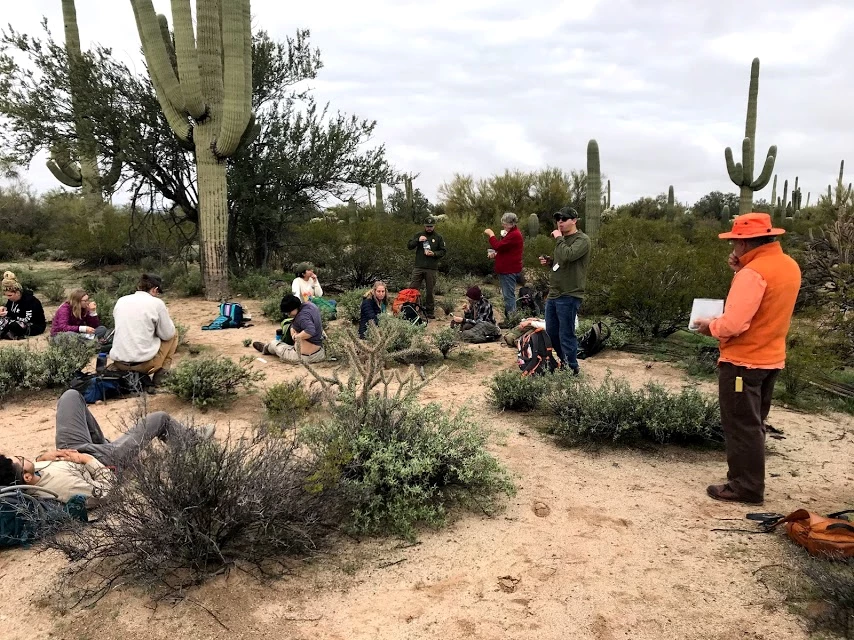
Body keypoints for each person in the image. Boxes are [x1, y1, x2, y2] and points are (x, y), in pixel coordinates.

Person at [693, 212, 801, 505]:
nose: (733, 248)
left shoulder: (752, 274)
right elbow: (763, 308)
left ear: (746, 243)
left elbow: (734, 324)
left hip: (743, 361)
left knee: (741, 424)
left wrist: (709, 327)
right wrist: (740, 270)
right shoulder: (788, 265)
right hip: (770, 359)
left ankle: (746, 486)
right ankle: (746, 480)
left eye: (735, 242)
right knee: (754, 422)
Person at [0, 389, 213, 504]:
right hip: (102, 461)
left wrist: (45, 456)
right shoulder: (64, 487)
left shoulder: (28, 476)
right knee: (159, 418)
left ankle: (106, 444)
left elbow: (34, 468)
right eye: (17, 459)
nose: (19, 457)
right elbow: (105, 492)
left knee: (70, 396)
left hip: (71, 451)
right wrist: (88, 460)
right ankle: (191, 443)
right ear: (26, 478)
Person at [539, 207, 591, 375]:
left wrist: (559, 238)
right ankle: (565, 362)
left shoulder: (582, 240)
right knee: (552, 333)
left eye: (564, 219)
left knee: (566, 333)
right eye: (558, 219)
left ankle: (572, 367)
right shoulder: (562, 241)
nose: (560, 222)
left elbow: (569, 255)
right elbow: (562, 261)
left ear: (574, 220)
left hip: (569, 294)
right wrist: (550, 261)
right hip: (554, 293)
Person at [108, 273, 177, 386]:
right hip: (144, 365)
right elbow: (167, 334)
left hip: (120, 363)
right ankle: (161, 376)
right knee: (174, 334)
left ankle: (120, 369)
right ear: (155, 290)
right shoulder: (157, 304)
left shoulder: (121, 300)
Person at [254, 294, 325, 363]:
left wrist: (296, 337)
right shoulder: (310, 306)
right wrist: (292, 328)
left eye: (288, 312)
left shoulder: (301, 318)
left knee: (275, 344)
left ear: (294, 308)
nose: (288, 315)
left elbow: (310, 331)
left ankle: (266, 348)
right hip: (319, 353)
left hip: (303, 356)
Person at [484, 212, 524, 320]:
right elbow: (506, 250)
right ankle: (510, 319)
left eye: (505, 224)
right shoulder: (512, 234)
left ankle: (512, 320)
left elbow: (497, 245)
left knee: (509, 296)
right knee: (507, 295)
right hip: (507, 269)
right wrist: (496, 255)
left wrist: (491, 234)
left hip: (508, 270)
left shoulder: (514, 235)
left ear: (511, 224)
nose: (503, 226)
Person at [407, 215, 446, 319]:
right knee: (413, 289)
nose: (429, 228)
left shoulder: (438, 237)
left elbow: (443, 251)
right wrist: (417, 240)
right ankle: (410, 308)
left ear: (434, 226)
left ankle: (430, 311)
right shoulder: (419, 235)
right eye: (427, 226)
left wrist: (434, 254)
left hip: (431, 268)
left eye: (431, 226)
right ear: (424, 226)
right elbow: (409, 245)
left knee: (430, 291)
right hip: (419, 266)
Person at [0, 271, 46, 339]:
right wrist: (3, 310)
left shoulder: (30, 301)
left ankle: (6, 333)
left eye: (10, 295)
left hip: (33, 325)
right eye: (7, 296)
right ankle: (6, 332)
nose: (8, 298)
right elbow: (9, 310)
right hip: (16, 320)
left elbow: (26, 319)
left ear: (18, 293)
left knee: (14, 326)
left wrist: (8, 313)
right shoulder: (12, 300)